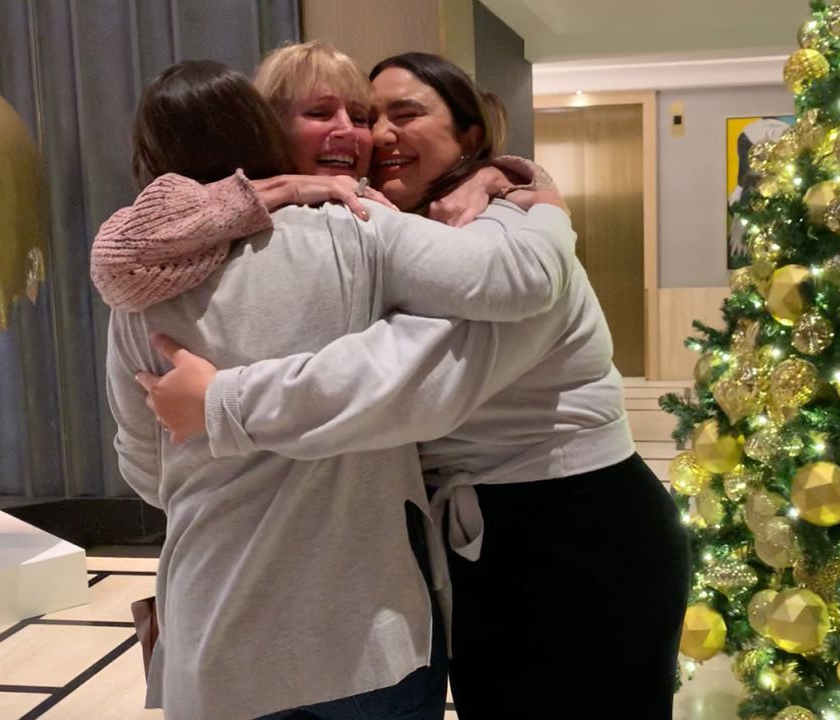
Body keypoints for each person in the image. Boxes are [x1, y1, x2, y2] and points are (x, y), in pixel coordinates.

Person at [133, 53, 692, 720]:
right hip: (479, 541)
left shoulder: (503, 227)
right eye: (364, 117)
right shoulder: (386, 235)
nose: (379, 135)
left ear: (472, 138)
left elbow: (404, 376)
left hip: (573, 527)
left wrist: (220, 403)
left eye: (402, 114)